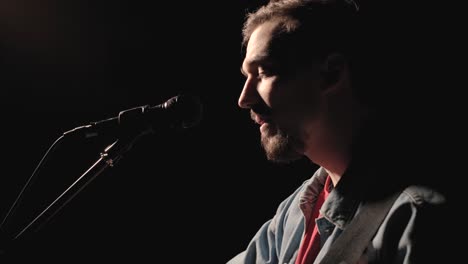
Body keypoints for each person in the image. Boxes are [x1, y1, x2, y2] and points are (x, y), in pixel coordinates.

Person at [228, 0, 448, 263]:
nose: (244, 98)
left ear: (331, 74)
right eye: (246, 76)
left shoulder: (415, 216)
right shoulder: (296, 210)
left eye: (264, 71)